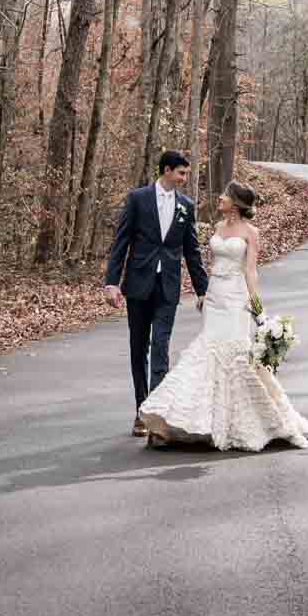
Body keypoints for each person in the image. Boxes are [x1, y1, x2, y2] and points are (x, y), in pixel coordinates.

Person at [135, 179, 308, 452]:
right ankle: (197, 421)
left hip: (235, 299)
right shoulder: (218, 227)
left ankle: (249, 422)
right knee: (206, 353)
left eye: (224, 195)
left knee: (235, 357)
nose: (219, 198)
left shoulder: (251, 232)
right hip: (215, 297)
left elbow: (250, 271)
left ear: (237, 203)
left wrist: (257, 308)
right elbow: (210, 262)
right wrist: (204, 293)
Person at [103, 149, 209, 434]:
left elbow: (192, 251)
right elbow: (121, 241)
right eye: (181, 173)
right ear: (166, 170)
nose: (185, 178)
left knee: (160, 345)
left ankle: (156, 412)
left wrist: (203, 290)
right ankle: (141, 408)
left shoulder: (186, 205)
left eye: (186, 173)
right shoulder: (138, 199)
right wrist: (112, 282)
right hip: (138, 284)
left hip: (168, 288)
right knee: (138, 348)